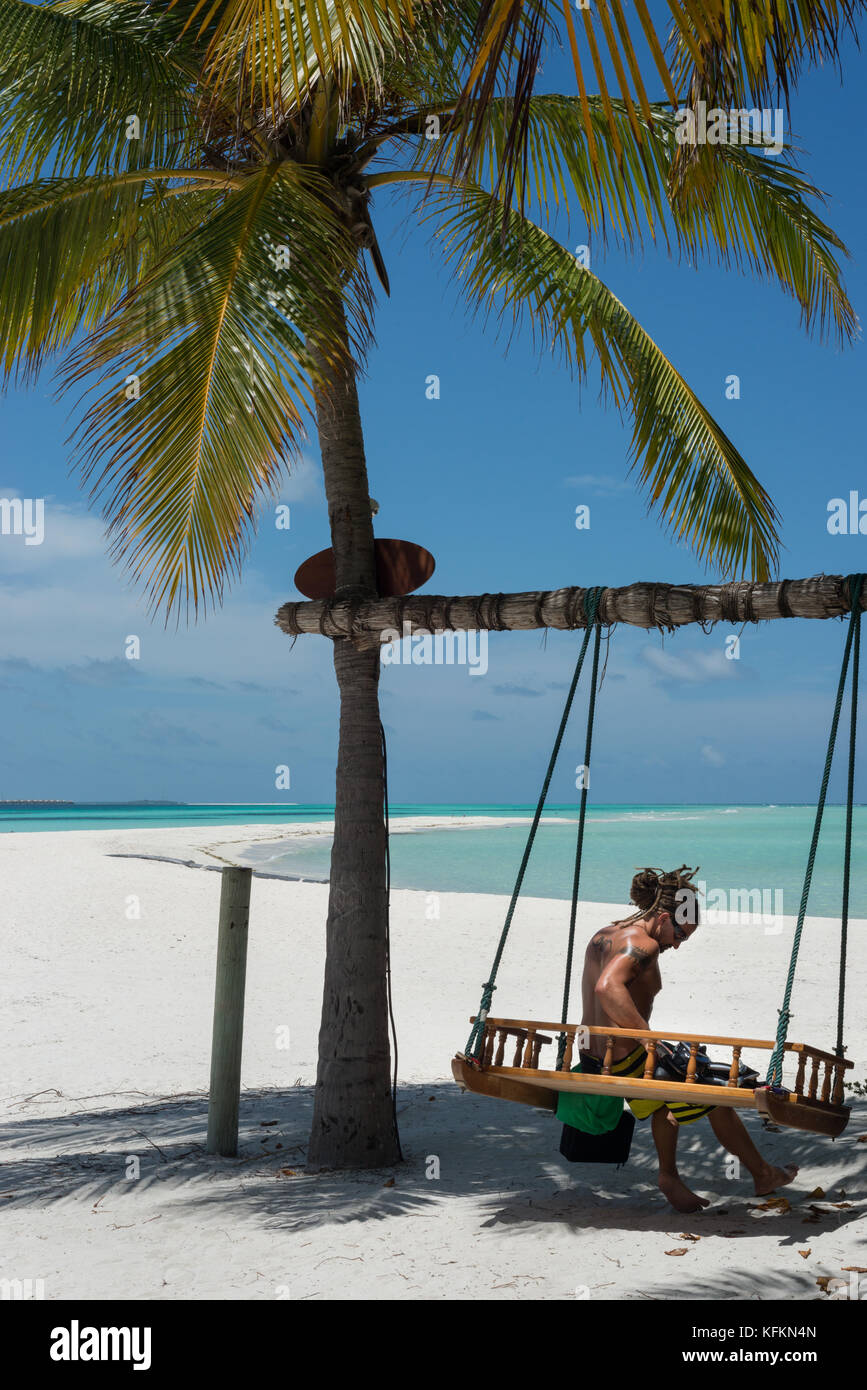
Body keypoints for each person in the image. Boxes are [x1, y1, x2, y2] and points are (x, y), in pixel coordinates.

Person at [580, 865, 798, 1213]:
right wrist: (648, 1041)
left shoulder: (609, 932)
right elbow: (607, 987)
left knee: (670, 1099)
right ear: (664, 917)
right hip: (623, 1056)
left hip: (590, 1050)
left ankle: (671, 1177)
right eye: (679, 934)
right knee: (715, 1094)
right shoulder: (643, 943)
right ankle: (763, 1173)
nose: (677, 945)